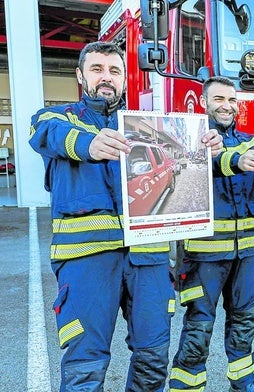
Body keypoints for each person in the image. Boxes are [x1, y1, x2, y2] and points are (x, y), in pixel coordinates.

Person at [28, 42, 223, 391]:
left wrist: (207, 145)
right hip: (86, 260)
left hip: (147, 259)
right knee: (85, 366)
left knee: (153, 358)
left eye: (114, 71)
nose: (106, 78)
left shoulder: (144, 124)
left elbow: (189, 166)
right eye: (97, 69)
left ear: (123, 79)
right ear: (80, 76)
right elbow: (45, 134)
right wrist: (87, 145)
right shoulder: (57, 118)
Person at [170, 76, 254, 392]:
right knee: (199, 323)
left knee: (245, 319)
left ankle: (243, 380)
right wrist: (237, 160)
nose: (226, 106)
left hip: (250, 250)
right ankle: (187, 386)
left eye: (231, 100)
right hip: (205, 250)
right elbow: (200, 167)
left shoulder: (253, 141)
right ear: (204, 102)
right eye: (218, 99)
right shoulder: (187, 140)